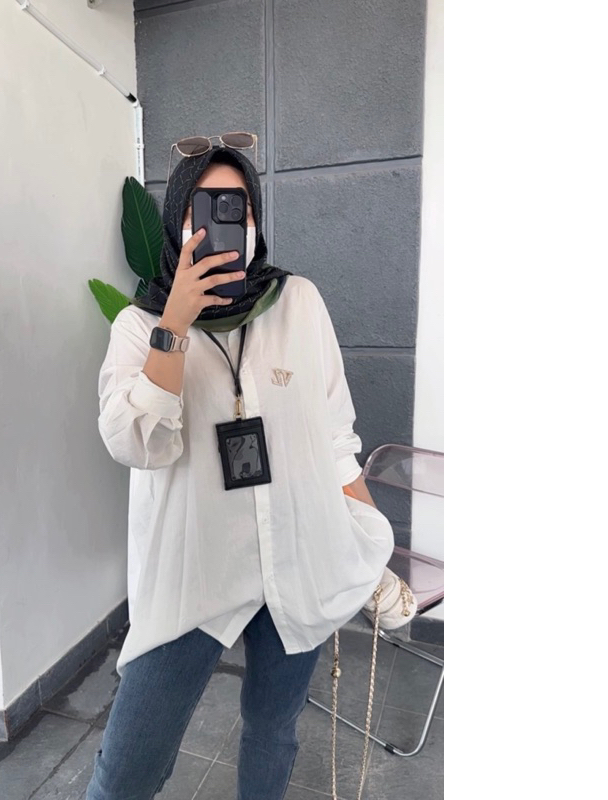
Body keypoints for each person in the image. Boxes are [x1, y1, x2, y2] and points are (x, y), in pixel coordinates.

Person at [87, 144, 393, 800]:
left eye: (241, 208)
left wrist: (367, 538)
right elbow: (134, 442)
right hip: (193, 576)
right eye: (206, 209)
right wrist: (175, 323)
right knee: (127, 769)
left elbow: (335, 436)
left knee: (273, 732)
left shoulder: (298, 303)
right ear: (178, 222)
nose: (229, 224)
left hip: (295, 560)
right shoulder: (139, 325)